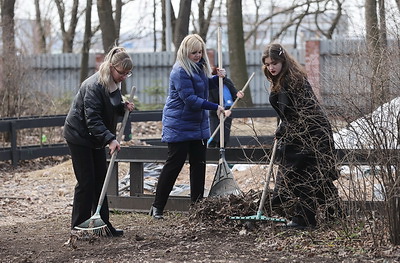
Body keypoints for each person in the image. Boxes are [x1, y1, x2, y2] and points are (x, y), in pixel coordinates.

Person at [261, 43, 342, 229]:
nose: (271, 67)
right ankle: (333, 215)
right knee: (314, 176)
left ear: (283, 61)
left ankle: (304, 220)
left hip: (312, 133)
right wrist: (282, 130)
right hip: (302, 132)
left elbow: (304, 113)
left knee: (304, 174)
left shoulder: (293, 81)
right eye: (267, 64)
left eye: (274, 63)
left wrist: (286, 130)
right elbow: (289, 114)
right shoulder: (283, 80)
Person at [149, 34, 229, 219]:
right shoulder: (179, 71)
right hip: (178, 123)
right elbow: (190, 99)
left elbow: (202, 85)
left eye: (200, 52)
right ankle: (157, 206)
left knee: (199, 165)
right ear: (185, 52)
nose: (198, 55)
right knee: (174, 165)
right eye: (194, 52)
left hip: (198, 124)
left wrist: (216, 76)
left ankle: (197, 207)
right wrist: (215, 107)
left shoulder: (200, 67)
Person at [63, 46, 135, 236]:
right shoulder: (94, 85)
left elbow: (109, 107)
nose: (124, 77)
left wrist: (122, 107)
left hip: (95, 137)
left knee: (101, 181)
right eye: (122, 73)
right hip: (79, 136)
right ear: (111, 67)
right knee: (86, 182)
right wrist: (110, 139)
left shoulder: (114, 84)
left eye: (128, 74)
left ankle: (102, 225)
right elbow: (92, 119)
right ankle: (78, 226)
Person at [208, 66, 244, 148]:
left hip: (228, 113)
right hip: (214, 114)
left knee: (224, 139)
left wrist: (239, 95)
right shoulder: (210, 85)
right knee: (214, 137)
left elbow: (235, 96)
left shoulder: (227, 82)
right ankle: (212, 157)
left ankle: (223, 156)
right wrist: (221, 110)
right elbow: (209, 103)